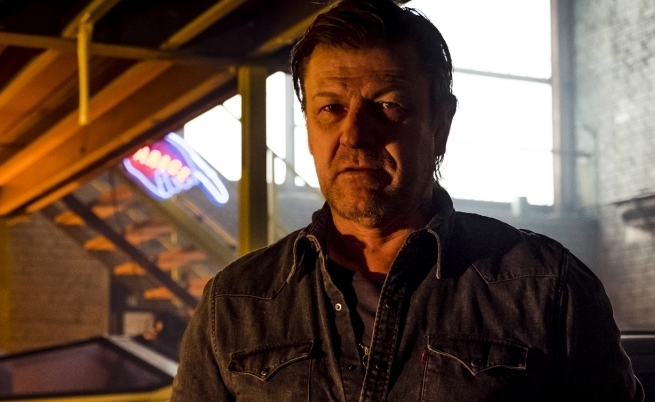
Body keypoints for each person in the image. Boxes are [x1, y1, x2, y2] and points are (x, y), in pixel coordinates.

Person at [171, 0, 645, 400]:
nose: (355, 134)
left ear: (441, 124)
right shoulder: (233, 305)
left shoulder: (545, 290)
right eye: (331, 107)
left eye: (388, 105)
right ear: (309, 128)